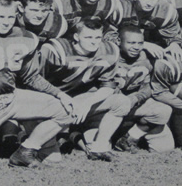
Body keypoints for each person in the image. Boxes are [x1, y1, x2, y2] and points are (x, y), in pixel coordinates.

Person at [0, 0, 73, 169]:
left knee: (67, 110)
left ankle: (26, 150)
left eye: (10, 17)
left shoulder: (26, 37)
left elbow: (31, 76)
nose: (6, 22)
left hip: (11, 98)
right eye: (0, 17)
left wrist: (60, 94)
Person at [36, 17, 131, 161]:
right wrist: (58, 98)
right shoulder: (56, 50)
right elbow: (37, 81)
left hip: (80, 97)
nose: (94, 41)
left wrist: (87, 103)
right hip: (52, 99)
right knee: (52, 158)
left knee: (122, 102)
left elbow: (108, 86)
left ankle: (99, 148)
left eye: (98, 37)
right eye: (88, 37)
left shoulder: (110, 50)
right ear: (76, 36)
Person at [110, 26, 175, 153]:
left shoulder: (147, 58)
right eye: (131, 43)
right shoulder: (110, 56)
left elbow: (149, 87)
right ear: (118, 41)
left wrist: (135, 98)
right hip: (111, 106)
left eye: (140, 43)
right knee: (97, 146)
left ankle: (129, 138)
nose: (136, 47)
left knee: (164, 147)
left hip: (134, 103)